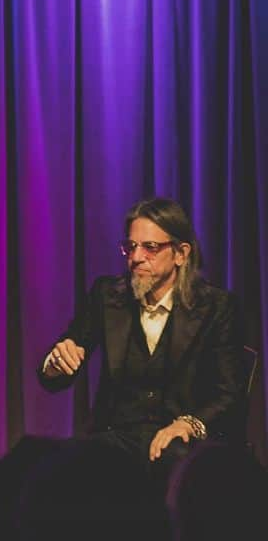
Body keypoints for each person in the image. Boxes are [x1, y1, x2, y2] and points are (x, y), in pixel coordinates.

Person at [38, 197, 244, 480]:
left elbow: (228, 392)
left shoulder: (216, 307)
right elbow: (60, 367)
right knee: (59, 467)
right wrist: (56, 362)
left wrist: (188, 424)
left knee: (175, 462)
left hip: (180, 440)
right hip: (115, 437)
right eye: (131, 247)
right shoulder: (108, 296)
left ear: (181, 254)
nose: (136, 258)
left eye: (151, 248)